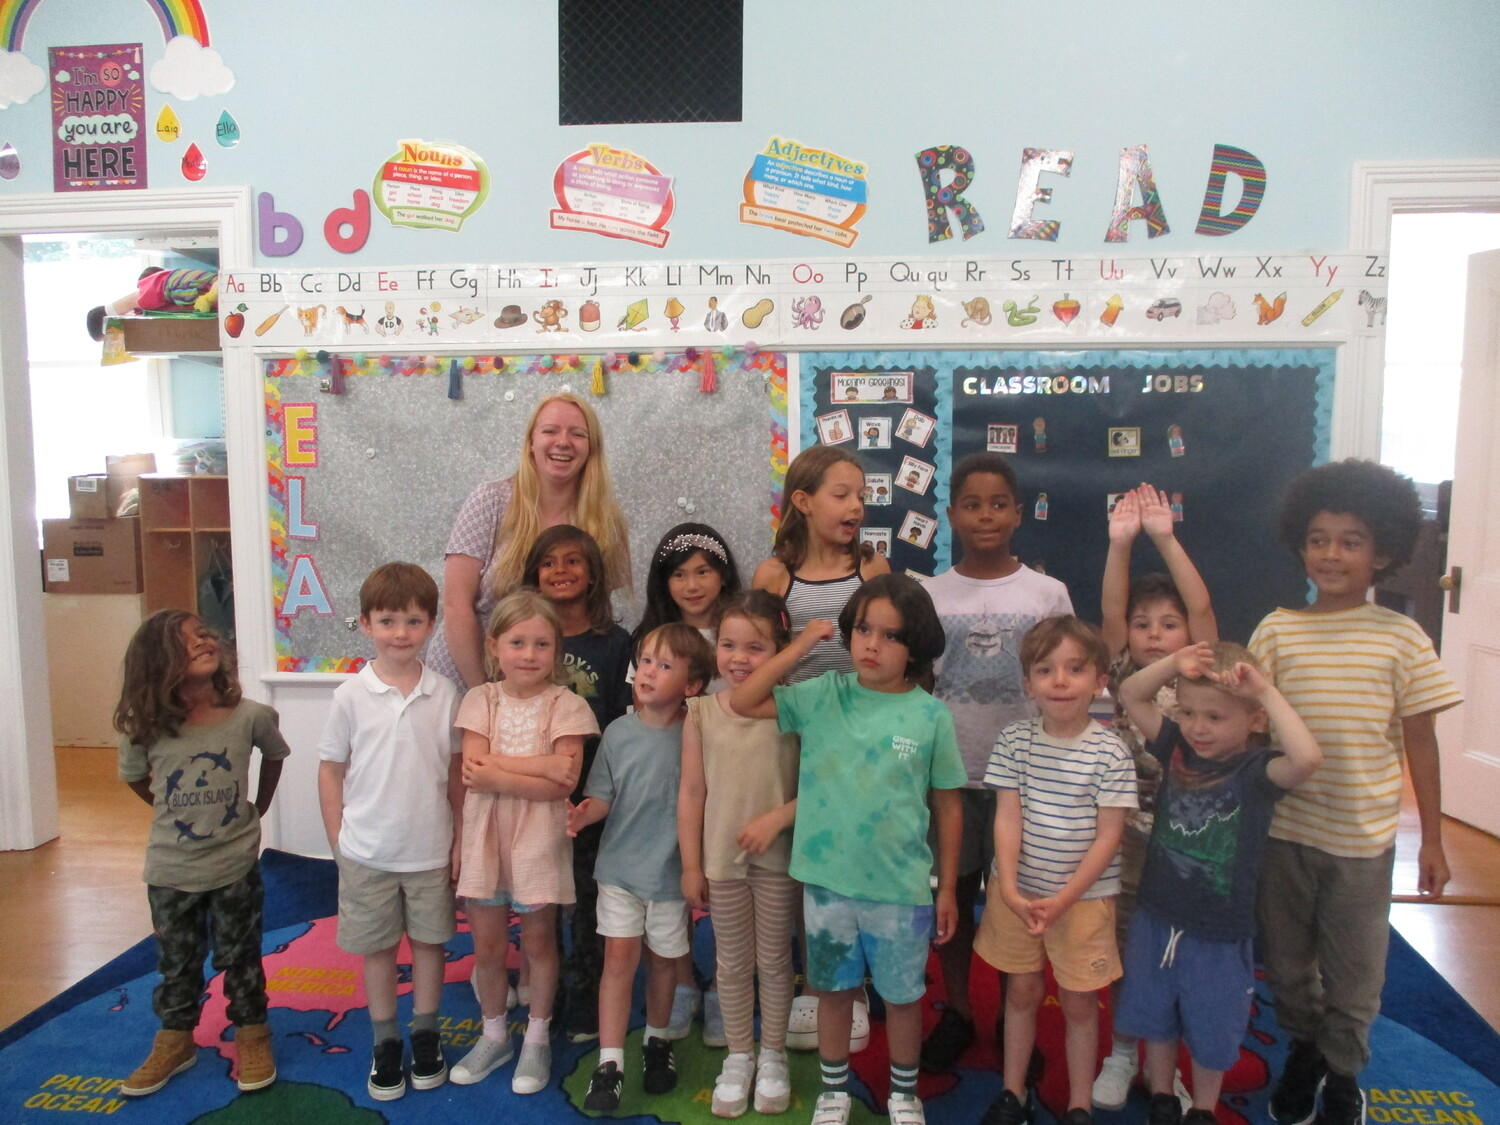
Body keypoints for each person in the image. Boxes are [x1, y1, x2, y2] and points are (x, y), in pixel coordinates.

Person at [1250, 460, 1462, 1125]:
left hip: (1362, 844)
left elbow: (1420, 743)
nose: (1332, 553)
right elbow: (1251, 732)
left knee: (1355, 973)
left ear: (1385, 552)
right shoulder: (1277, 628)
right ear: (1300, 544)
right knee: (1286, 968)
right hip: (1284, 833)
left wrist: (1432, 836)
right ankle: (1305, 1047)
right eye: (1319, 538)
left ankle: (1344, 1073)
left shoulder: (1402, 638)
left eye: (1351, 539)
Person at [729, 574, 966, 1125]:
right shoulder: (823, 695)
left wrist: (949, 886)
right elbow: (743, 699)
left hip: (901, 888)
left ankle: (904, 1094)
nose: (871, 645)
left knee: (903, 998)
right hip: (828, 882)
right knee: (833, 991)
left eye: (889, 635)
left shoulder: (931, 716)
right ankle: (833, 1090)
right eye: (862, 630)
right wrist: (803, 643)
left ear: (917, 646)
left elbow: (949, 807)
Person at [1114, 642, 1321, 1125]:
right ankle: (1164, 1095)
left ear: (1253, 722)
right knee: (1155, 1013)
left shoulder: (1257, 771)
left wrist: (1265, 693)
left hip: (1219, 930)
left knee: (1214, 1025)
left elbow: (1308, 758)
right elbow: (1130, 693)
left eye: (1215, 717)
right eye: (1188, 713)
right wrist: (1175, 663)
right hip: (1158, 915)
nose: (1198, 728)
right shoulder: (1178, 748)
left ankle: (1204, 1109)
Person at [919, 453, 1073, 1075]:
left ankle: (1017, 1019)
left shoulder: (1046, 593)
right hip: (952, 777)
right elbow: (917, 685)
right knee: (952, 895)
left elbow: (1067, 682)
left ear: (1017, 512)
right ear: (952, 514)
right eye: (972, 504)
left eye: (999, 503)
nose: (986, 515)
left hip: (1027, 782)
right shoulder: (929, 594)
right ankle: (957, 1010)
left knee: (1017, 903)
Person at [114, 610, 289, 1098]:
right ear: (157, 661)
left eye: (204, 633)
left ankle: (252, 1031)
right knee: (177, 961)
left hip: (233, 865)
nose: (203, 641)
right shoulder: (144, 727)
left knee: (241, 956)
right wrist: (167, 809)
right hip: (170, 869)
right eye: (186, 640)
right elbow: (135, 778)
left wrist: (258, 807)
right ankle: (175, 1038)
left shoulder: (249, 716)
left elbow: (275, 754)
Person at [752, 444, 890, 1051]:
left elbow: (890, 655)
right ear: (804, 503)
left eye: (862, 495)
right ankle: (812, 982)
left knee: (849, 868)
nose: (856, 506)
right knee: (801, 867)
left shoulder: (872, 569)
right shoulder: (774, 576)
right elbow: (761, 658)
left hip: (856, 742)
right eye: (842, 494)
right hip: (792, 736)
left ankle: (853, 990)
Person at [977, 615, 1138, 1125]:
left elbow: (1109, 836)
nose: (1061, 681)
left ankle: (1079, 1104)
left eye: (1075, 669)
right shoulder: (1014, 741)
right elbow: (1007, 816)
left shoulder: (1110, 750)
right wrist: (1009, 887)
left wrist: (1064, 898)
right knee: (1020, 992)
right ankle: (1012, 1091)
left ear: (1100, 680)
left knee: (1079, 1005)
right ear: (1028, 683)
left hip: (1083, 902)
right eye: (1046, 670)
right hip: (1017, 897)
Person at [317, 563, 463, 1101]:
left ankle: (425, 1033)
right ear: (364, 624)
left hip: (427, 851)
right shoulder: (350, 696)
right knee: (377, 950)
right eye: (387, 621)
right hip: (367, 853)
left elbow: (454, 776)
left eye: (413, 621)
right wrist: (338, 839)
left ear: (431, 625)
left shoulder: (445, 693)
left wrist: (459, 840)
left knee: (429, 945)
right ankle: (385, 1042)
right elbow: (331, 768)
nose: (400, 633)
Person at [1094, 482, 1218, 1111]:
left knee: (1177, 950)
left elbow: (1202, 611)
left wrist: (1165, 540)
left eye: (1168, 626)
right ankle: (1120, 1050)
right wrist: (1121, 547)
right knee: (1123, 948)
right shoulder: (1119, 671)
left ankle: (1166, 1060)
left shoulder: (1203, 672)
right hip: (1124, 838)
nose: (1153, 633)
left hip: (1188, 840)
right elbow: (1113, 614)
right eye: (1144, 625)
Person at [451, 589, 600, 1092]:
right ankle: (494, 1034)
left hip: (539, 841)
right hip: (486, 839)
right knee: (488, 947)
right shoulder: (479, 700)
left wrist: (501, 769)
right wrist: (536, 768)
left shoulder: (567, 705)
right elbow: (474, 772)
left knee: (539, 943)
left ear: (556, 650)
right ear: (495, 647)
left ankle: (536, 1036)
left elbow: (566, 781)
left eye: (541, 644)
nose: (530, 655)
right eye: (518, 642)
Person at [570, 623, 717, 1113]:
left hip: (672, 877)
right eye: (646, 661)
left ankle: (657, 1042)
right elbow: (603, 797)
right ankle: (610, 1062)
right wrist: (583, 813)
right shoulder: (617, 732)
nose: (648, 672)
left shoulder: (696, 736)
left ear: (692, 686)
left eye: (665, 665)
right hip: (619, 873)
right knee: (618, 963)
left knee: (663, 965)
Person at [679, 590, 801, 1117]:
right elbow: (691, 793)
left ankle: (772, 1054)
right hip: (721, 862)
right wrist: (690, 864)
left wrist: (780, 819)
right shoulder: (701, 711)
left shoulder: (796, 711)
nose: (738, 657)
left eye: (755, 647)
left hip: (778, 861)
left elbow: (820, 784)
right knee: (730, 963)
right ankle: (738, 1055)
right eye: (728, 644)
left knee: (775, 962)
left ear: (781, 651)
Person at [427, 392, 631, 693]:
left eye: (577, 434)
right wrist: (483, 692)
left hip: (545, 681)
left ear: (591, 448)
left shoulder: (604, 518)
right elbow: (457, 605)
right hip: (466, 673)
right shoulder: (489, 501)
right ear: (530, 443)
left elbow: (595, 612)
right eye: (550, 431)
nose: (563, 442)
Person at [520, 525, 633, 1044]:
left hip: (592, 791)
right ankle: (544, 986)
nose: (561, 571)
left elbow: (621, 721)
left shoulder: (615, 642)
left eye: (573, 561)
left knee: (589, 896)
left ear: (592, 575)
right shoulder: (524, 637)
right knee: (539, 896)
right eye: (549, 562)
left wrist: (609, 790)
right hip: (533, 789)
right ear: (533, 576)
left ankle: (585, 992)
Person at [632, 521, 743, 1041]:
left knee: (722, 889)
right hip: (663, 782)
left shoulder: (739, 635)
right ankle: (679, 985)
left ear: (723, 576)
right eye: (680, 574)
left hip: (725, 783)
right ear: (663, 581)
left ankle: (725, 989)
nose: (693, 584)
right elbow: (637, 706)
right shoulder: (649, 640)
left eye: (704, 571)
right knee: (668, 888)